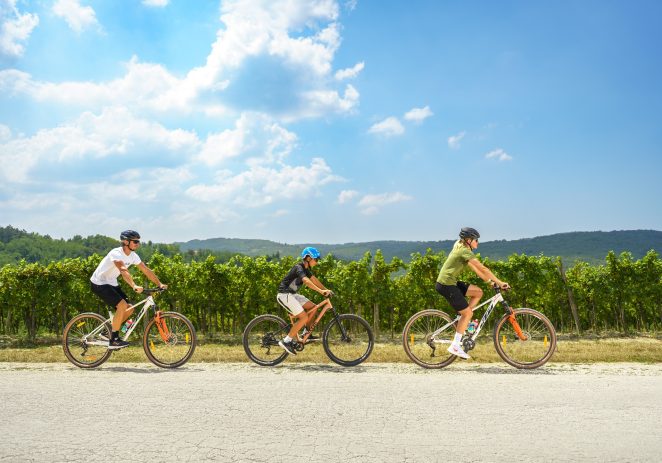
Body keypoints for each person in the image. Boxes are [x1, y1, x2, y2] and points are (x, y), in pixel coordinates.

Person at [436, 227, 509, 359]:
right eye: (476, 240)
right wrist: (499, 282)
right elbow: (482, 268)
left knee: (478, 292)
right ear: (468, 240)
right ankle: (455, 345)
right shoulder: (464, 251)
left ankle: (464, 320)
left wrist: (489, 282)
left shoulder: (460, 245)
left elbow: (476, 270)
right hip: (446, 285)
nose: (478, 243)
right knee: (468, 313)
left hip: (450, 282)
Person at [90, 230, 167, 349]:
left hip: (111, 282)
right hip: (99, 282)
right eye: (135, 241)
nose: (138, 244)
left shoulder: (133, 256)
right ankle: (114, 340)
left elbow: (146, 270)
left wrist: (159, 283)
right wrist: (134, 285)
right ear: (126, 242)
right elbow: (122, 269)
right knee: (121, 306)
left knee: (129, 308)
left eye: (138, 241)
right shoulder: (116, 253)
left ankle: (108, 332)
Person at [276, 247, 332, 355]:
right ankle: (286, 341)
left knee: (313, 308)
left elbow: (314, 280)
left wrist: (325, 290)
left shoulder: (306, 269)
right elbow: (306, 281)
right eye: (316, 259)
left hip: (292, 295)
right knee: (304, 317)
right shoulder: (298, 267)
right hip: (284, 295)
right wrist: (321, 292)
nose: (317, 262)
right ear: (308, 258)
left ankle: (307, 333)